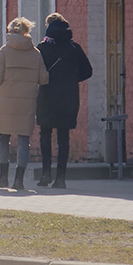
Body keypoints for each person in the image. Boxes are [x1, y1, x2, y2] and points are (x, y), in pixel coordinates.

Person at [0, 17, 49, 191]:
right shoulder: (36, 53)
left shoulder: (4, 51)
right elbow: (44, 79)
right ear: (26, 31)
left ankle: (2, 177)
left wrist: (1, 89)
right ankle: (19, 180)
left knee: (3, 137)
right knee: (23, 139)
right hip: (27, 102)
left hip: (5, 100)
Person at [35, 12, 94, 188]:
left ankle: (45, 174)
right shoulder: (74, 48)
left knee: (45, 134)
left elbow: (36, 72)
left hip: (47, 96)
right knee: (63, 137)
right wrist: (70, 79)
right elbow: (88, 71)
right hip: (69, 97)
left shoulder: (42, 49)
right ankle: (61, 178)